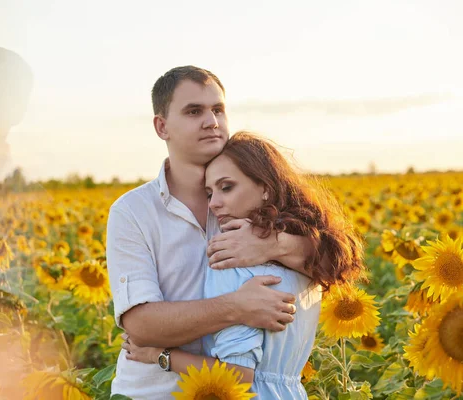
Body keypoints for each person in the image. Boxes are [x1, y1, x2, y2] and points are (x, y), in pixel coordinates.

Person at [106, 66, 326, 399]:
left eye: (218, 110)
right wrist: (236, 306)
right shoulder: (132, 212)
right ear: (161, 126)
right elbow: (141, 325)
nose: (211, 121)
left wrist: (273, 245)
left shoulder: (253, 201)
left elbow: (335, 262)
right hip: (155, 392)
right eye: (194, 111)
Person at [123, 131, 365, 399]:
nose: (214, 203)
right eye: (209, 192)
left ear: (265, 188)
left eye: (227, 187)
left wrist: (160, 355)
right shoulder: (306, 257)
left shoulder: (233, 260)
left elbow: (238, 376)